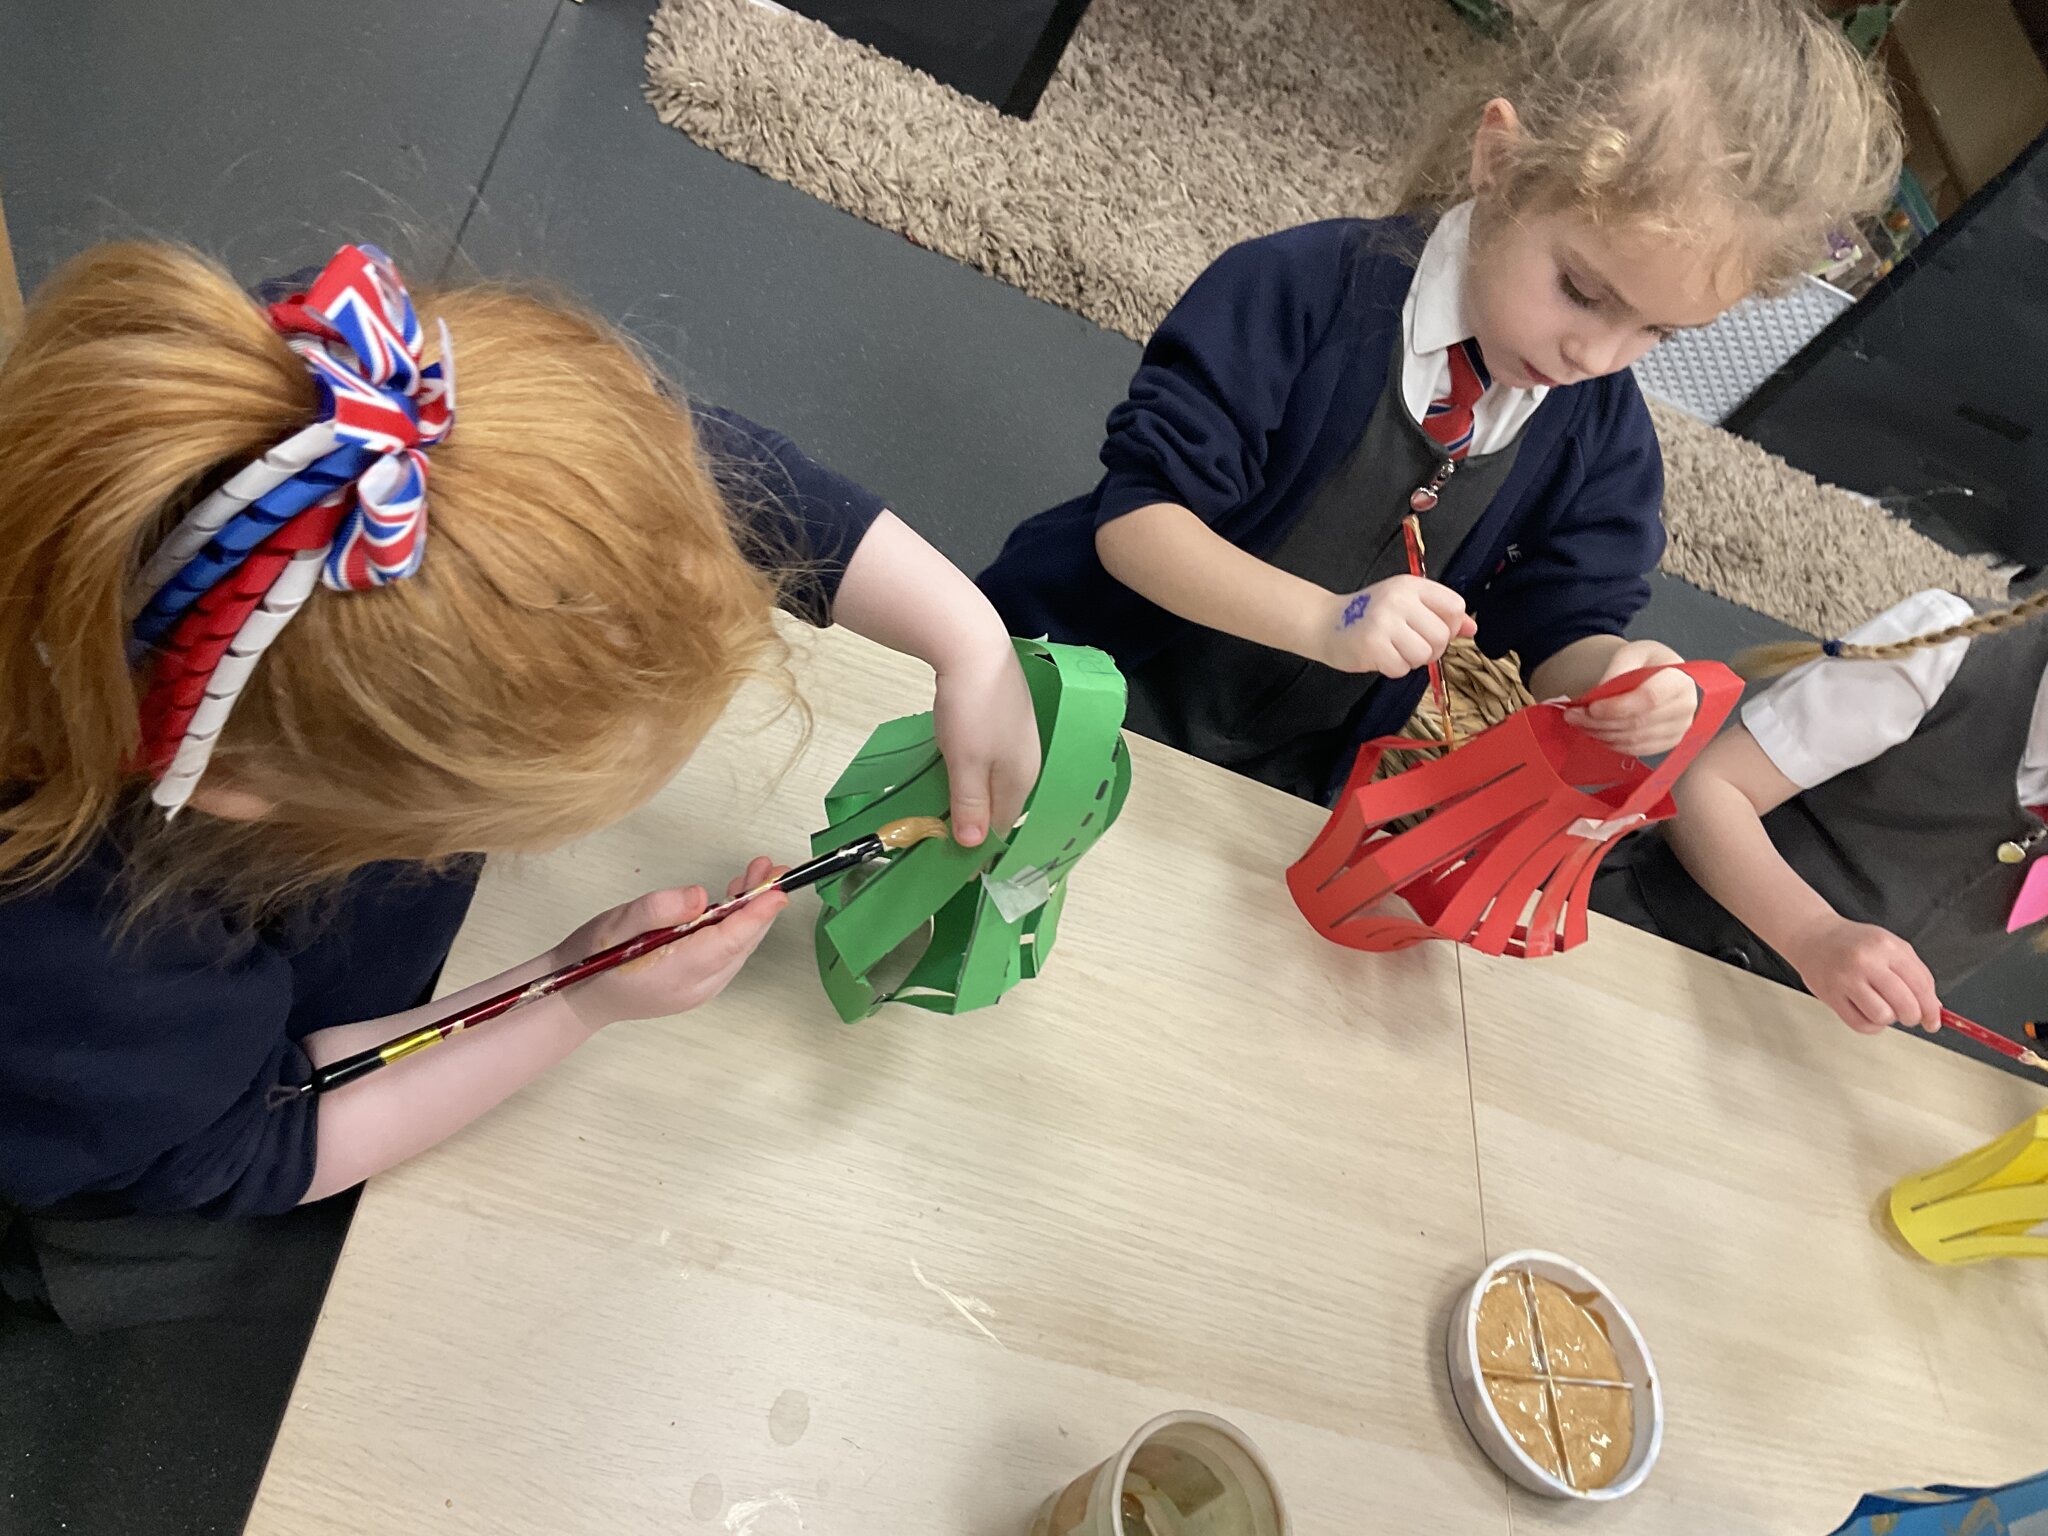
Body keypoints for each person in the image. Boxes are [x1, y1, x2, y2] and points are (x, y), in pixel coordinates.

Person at [0, 241, 1039, 1327]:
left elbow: (658, 486)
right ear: (248, 794)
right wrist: (567, 994)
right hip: (130, 1135)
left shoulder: (315, 423)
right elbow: (260, 1132)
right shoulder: (78, 966)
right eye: (476, 832)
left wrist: (968, 640)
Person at [978, 0, 1901, 803]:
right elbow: (1138, 527)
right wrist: (1327, 621)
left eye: (1658, 333)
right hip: (1065, 679)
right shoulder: (1296, 290)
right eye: (1582, 290)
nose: (1596, 353)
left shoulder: (1602, 439)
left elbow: (1558, 629)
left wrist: (1619, 680)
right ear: (1498, 159)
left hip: (1277, 775)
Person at [1595, 589, 2048, 1038]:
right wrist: (1812, 932)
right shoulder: (1952, 651)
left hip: (1805, 1044)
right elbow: (1706, 791)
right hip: (1661, 937)